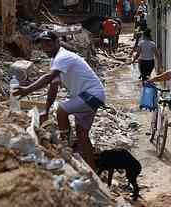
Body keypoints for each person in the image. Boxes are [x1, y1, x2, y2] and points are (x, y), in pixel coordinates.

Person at [13, 31, 105, 170]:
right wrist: (47, 110)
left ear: (57, 42)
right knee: (82, 135)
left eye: (49, 43)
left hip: (91, 95)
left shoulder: (63, 56)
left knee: (62, 109)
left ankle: (64, 145)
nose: (45, 47)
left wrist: (27, 90)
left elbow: (48, 77)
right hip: (90, 97)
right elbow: (53, 87)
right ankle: (93, 168)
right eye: (43, 44)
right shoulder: (56, 61)